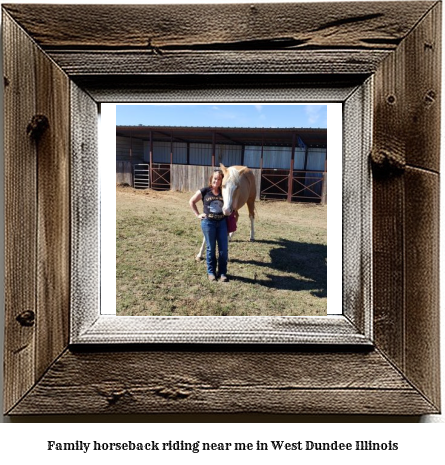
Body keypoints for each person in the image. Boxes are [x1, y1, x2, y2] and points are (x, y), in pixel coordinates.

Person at [189, 169, 228, 282]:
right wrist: (197, 214)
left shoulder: (224, 192)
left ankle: (222, 273)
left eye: (219, 179)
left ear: (222, 181)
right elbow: (191, 201)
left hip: (222, 223)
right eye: (215, 178)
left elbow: (231, 204)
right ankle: (211, 272)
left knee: (223, 250)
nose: (217, 180)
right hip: (208, 223)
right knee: (210, 248)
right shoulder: (205, 191)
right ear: (211, 179)